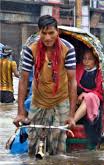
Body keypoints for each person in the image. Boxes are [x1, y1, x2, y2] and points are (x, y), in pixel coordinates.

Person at [13, 15, 77, 156]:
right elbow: (23, 80)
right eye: (44, 33)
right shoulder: (31, 49)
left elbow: (72, 81)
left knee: (58, 146)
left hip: (61, 99)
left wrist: (71, 115)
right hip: (39, 99)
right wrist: (20, 112)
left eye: (51, 33)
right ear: (39, 32)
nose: (47, 38)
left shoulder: (68, 49)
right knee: (32, 144)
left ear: (57, 32)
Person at [75, 49, 104, 145]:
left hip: (95, 101)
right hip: (77, 99)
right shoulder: (78, 69)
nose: (86, 62)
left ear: (95, 60)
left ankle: (72, 121)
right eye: (84, 59)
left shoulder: (100, 73)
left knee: (90, 97)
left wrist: (86, 94)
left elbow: (101, 92)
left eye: (89, 59)